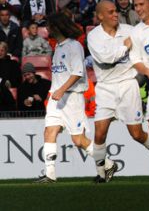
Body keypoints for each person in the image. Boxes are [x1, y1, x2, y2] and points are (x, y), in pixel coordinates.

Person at [34, 12, 117, 183]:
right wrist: (55, 92)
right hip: (56, 98)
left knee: (78, 140)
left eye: (49, 25)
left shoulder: (74, 46)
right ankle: (50, 174)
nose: (47, 28)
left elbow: (78, 73)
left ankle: (108, 164)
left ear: (57, 26)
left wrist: (62, 90)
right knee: (49, 130)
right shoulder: (57, 47)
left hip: (72, 98)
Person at [87, 0, 149, 183]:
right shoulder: (93, 36)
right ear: (100, 16)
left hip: (127, 84)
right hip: (105, 87)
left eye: (116, 11)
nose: (115, 14)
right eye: (110, 12)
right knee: (99, 132)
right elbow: (105, 58)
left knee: (137, 134)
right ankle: (102, 173)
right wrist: (125, 46)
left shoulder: (129, 30)